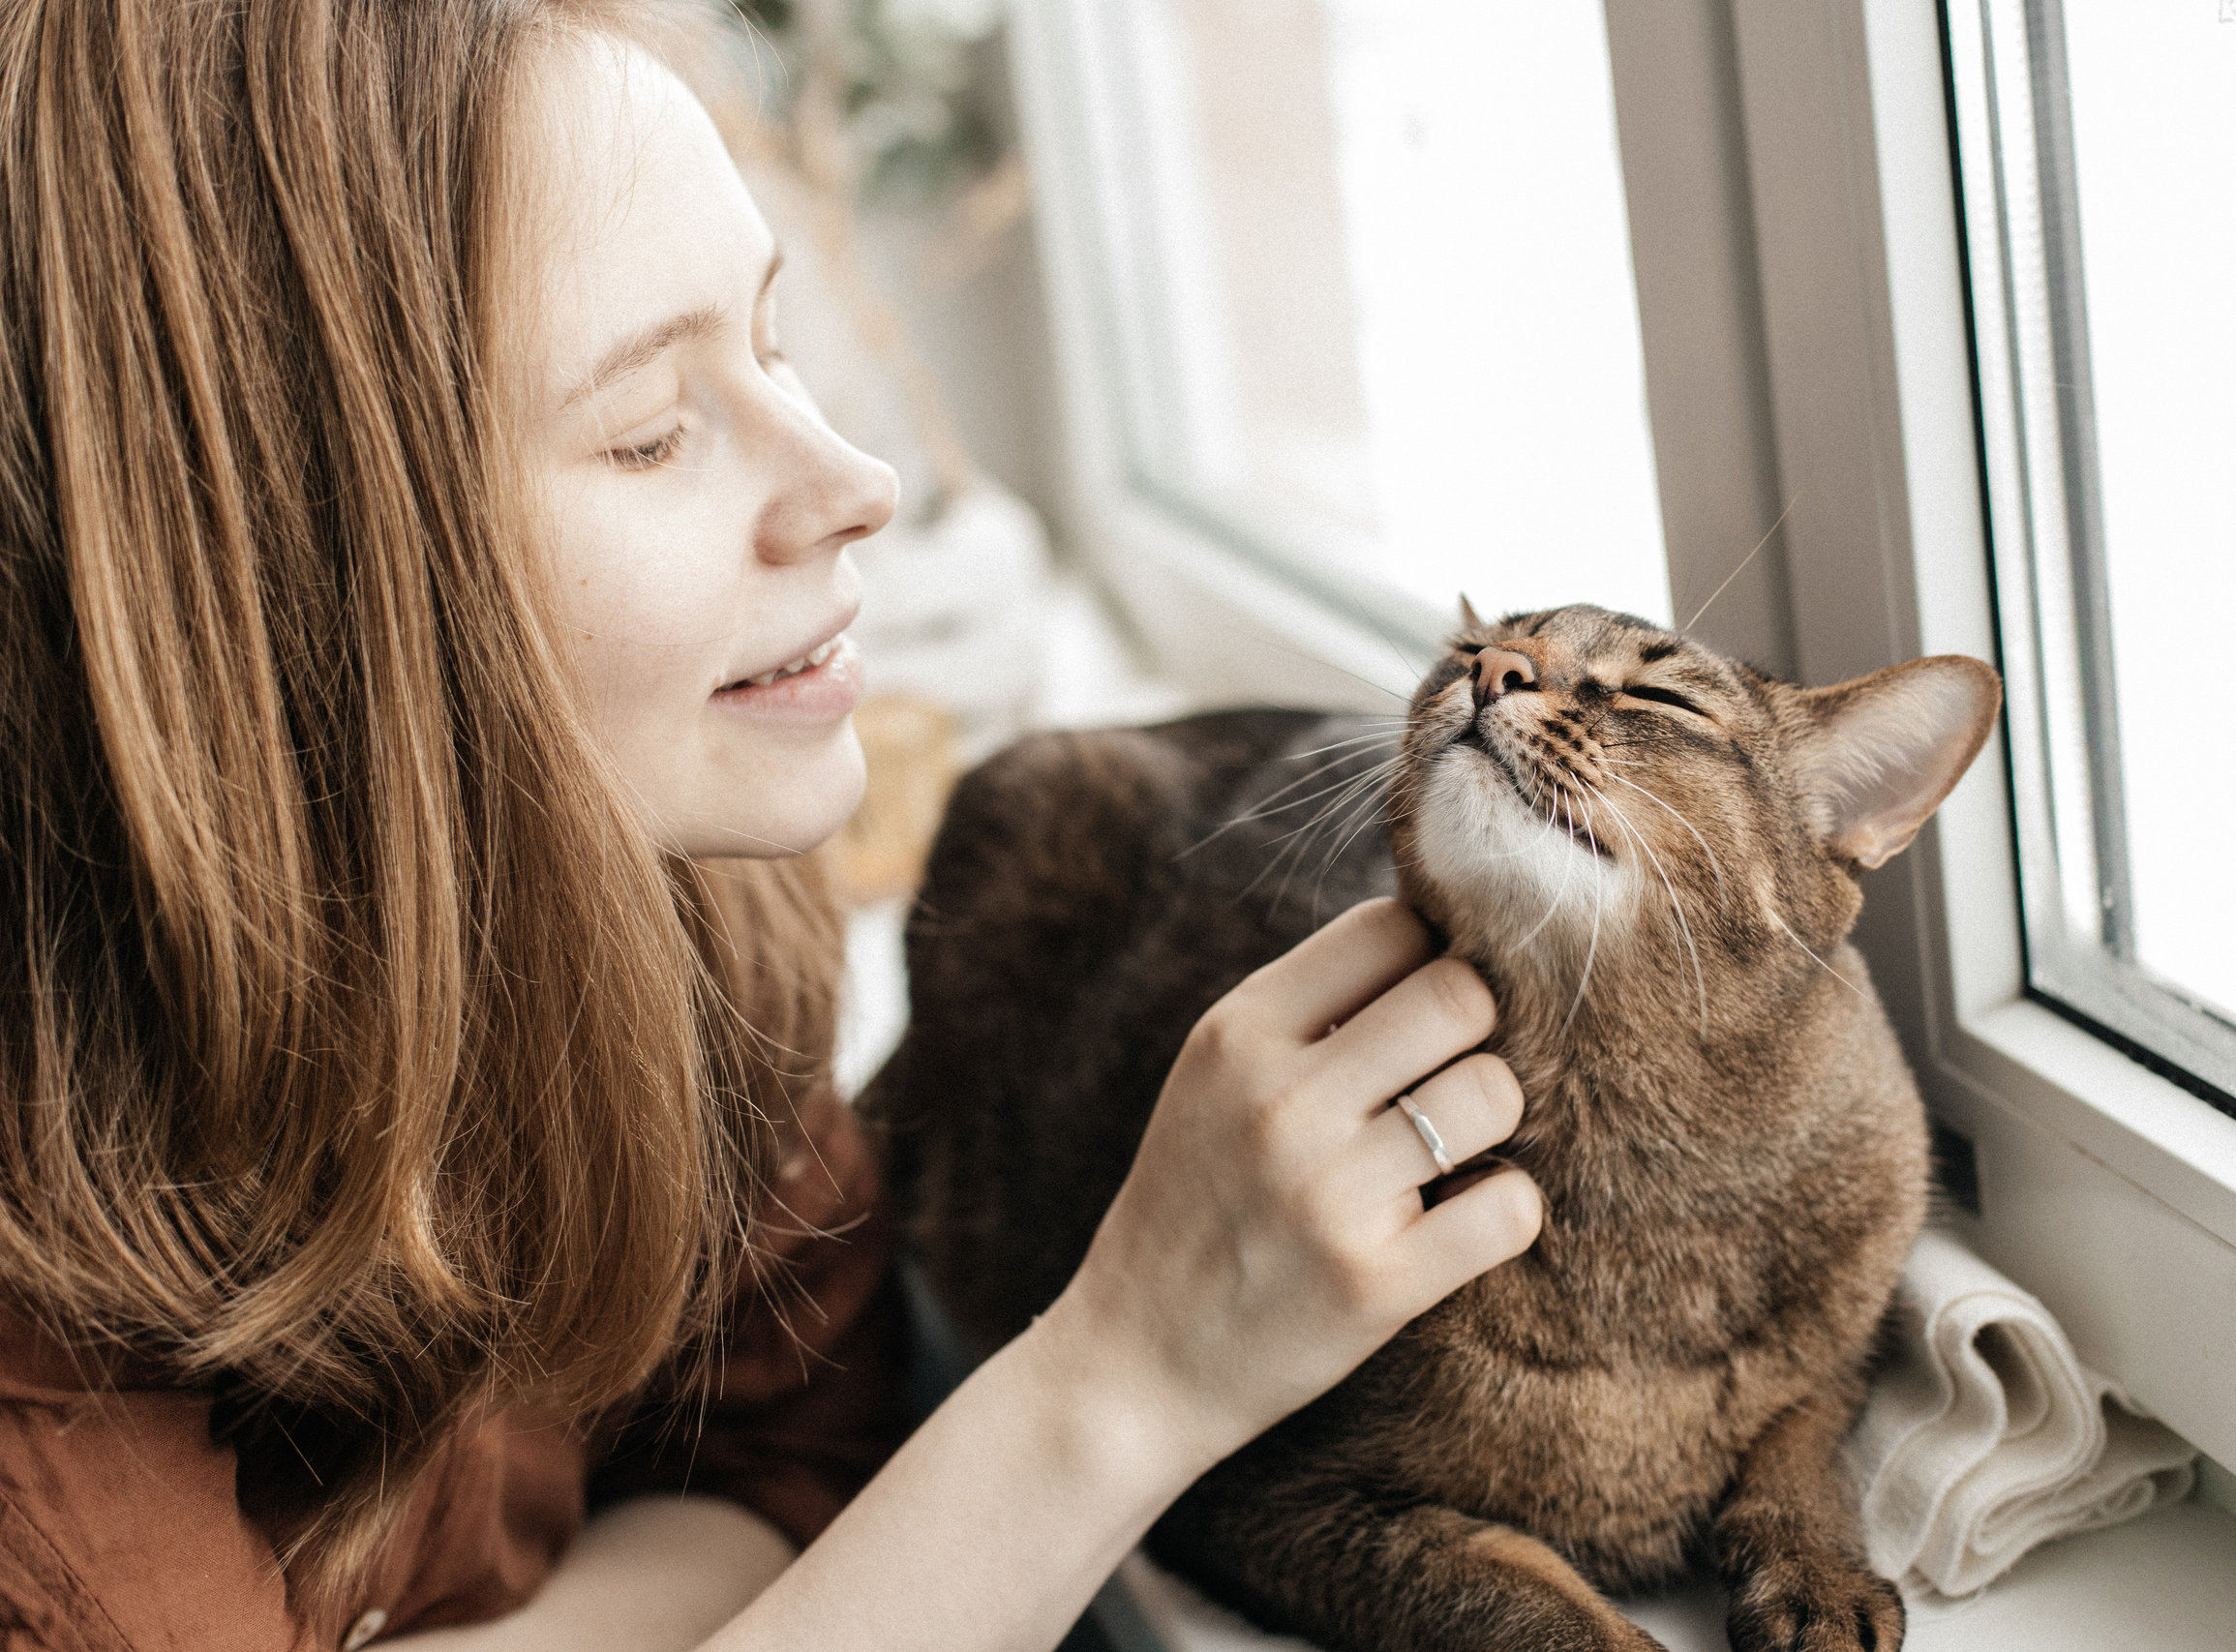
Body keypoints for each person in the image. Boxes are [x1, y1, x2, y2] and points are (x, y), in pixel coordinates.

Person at [0, 4, 1546, 1649]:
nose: (856, 481)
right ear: (281, 604)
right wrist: (1128, 1376)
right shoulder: (43, 1377)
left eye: (774, 339)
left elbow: (782, 1442)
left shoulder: (695, 907)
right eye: (652, 428)